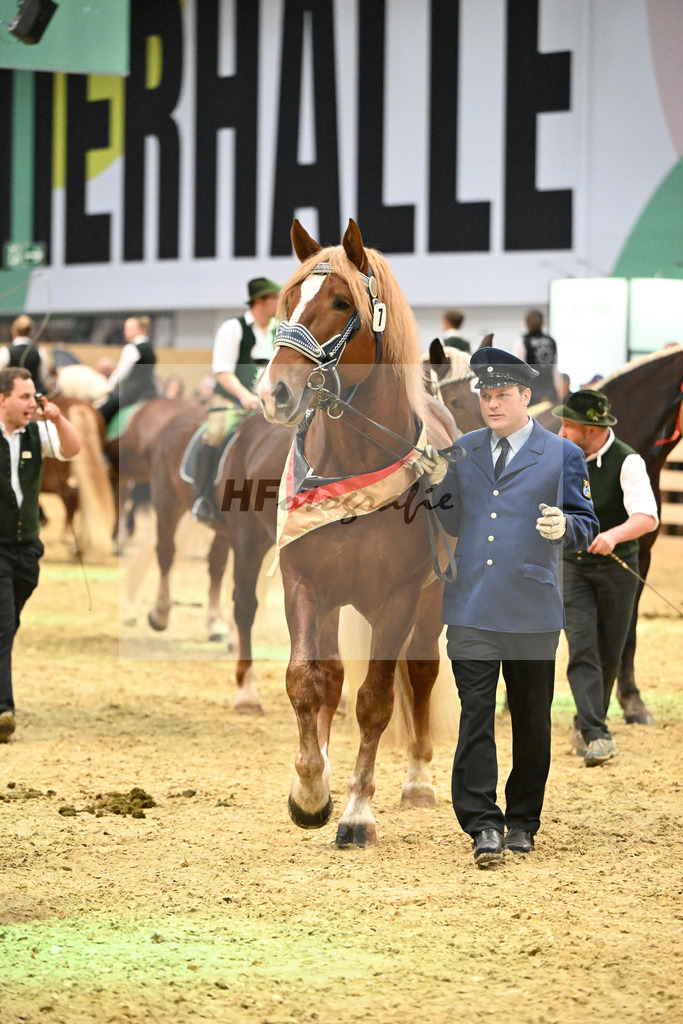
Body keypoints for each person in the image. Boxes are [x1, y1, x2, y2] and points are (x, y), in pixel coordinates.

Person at [416, 348, 598, 868]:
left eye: (501, 395)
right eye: (485, 396)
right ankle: (482, 824)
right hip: (470, 606)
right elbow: (448, 521)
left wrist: (567, 527)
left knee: (531, 720)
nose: (491, 404)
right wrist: (432, 485)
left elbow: (587, 522)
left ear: (525, 397)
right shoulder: (465, 450)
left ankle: (522, 820)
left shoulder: (562, 454)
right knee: (476, 716)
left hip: (532, 610)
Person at [553, 390, 658, 767]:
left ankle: (585, 723)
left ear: (592, 430)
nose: (561, 432)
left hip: (618, 567)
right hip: (572, 566)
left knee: (609, 651)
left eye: (569, 425)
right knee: (582, 647)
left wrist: (613, 535)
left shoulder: (628, 461)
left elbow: (646, 516)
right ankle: (596, 734)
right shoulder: (560, 457)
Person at [0, 367, 81, 743]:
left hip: (28, 549)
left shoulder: (38, 428)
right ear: (3, 400)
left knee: (8, 624)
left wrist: (59, 418)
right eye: (24, 397)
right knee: (3, 627)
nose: (32, 403)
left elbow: (73, 449)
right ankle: (4, 709)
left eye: (34, 396)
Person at [192, 276, 280, 524]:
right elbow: (223, 372)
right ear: (259, 301)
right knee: (214, 435)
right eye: (274, 298)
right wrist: (245, 396)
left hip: (268, 406)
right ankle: (203, 498)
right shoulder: (233, 328)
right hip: (231, 402)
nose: (278, 303)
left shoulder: (278, 330)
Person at [97, 316, 157, 426]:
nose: (125, 332)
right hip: (149, 391)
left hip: (131, 393)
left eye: (128, 329)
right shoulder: (150, 349)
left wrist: (109, 387)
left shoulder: (131, 348)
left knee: (100, 413)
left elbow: (121, 373)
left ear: (139, 330)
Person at [514, 309, 558, 405]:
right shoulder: (551, 341)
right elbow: (555, 371)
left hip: (532, 394)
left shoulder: (523, 342)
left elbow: (519, 373)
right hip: (550, 391)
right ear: (542, 323)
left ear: (526, 323)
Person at [0, 315, 50, 395]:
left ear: (13, 331)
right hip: (35, 395)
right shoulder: (40, 351)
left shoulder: (5, 352)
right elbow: (44, 377)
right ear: (31, 332)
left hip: (12, 397)